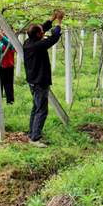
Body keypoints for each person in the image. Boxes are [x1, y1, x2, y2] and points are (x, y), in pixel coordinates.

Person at [23, 10, 64, 147]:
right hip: (40, 82)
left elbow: (42, 28)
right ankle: (35, 138)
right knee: (42, 110)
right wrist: (59, 21)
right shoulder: (38, 45)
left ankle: (31, 133)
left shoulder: (28, 42)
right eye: (42, 32)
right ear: (38, 35)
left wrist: (51, 19)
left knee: (36, 107)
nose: (43, 32)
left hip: (33, 81)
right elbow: (54, 37)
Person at [0, 31, 16, 104]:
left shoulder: (12, 41)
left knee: (8, 84)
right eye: (2, 30)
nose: (3, 31)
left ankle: (10, 101)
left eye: (4, 30)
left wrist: (1, 36)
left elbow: (9, 45)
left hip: (8, 65)